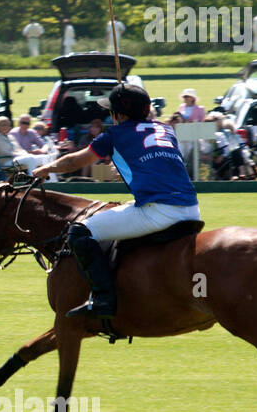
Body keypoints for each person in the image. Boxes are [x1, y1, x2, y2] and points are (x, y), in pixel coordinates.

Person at [32, 84, 200, 319]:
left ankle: (103, 298)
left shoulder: (113, 136)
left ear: (119, 115)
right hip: (192, 209)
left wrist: (44, 169)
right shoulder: (166, 130)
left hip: (158, 212)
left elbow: (73, 163)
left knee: (79, 232)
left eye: (112, 112)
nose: (110, 116)